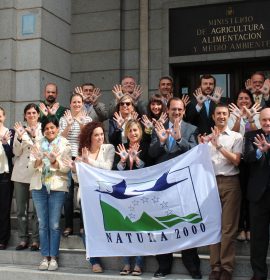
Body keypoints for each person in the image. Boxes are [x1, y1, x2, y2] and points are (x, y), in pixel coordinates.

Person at [149, 97, 201, 279]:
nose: (176, 112)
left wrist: (180, 139)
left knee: (186, 223)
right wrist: (162, 142)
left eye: (180, 109)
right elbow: (151, 153)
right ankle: (164, 265)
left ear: (184, 111)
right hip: (163, 185)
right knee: (163, 224)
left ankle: (192, 266)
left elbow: (195, 152)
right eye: (173, 109)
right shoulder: (159, 127)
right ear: (168, 110)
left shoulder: (191, 129)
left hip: (183, 185)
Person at [63, 121, 115, 273]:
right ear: (90, 137)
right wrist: (74, 170)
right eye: (96, 135)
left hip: (104, 194)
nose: (100, 137)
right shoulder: (82, 153)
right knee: (86, 229)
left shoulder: (108, 148)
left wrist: (88, 162)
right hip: (86, 195)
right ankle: (94, 261)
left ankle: (107, 250)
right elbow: (78, 179)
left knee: (103, 226)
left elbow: (107, 168)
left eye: (101, 134)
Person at [199, 104, 243, 280]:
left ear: (229, 116)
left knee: (228, 228)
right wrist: (203, 146)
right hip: (210, 185)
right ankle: (215, 267)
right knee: (213, 227)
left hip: (230, 183)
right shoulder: (206, 139)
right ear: (213, 116)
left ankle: (226, 268)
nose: (221, 116)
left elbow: (237, 161)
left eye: (225, 113)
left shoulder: (236, 137)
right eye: (218, 114)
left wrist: (218, 147)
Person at [29, 116, 71, 271]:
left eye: (52, 127)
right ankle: (44, 257)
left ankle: (53, 257)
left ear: (58, 129)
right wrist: (39, 160)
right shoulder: (38, 144)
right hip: (39, 187)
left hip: (57, 187)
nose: (49, 130)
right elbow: (30, 166)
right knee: (42, 224)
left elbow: (67, 169)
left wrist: (54, 162)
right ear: (43, 130)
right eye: (46, 128)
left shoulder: (64, 144)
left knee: (54, 224)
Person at [115, 119, 150, 276]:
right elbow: (115, 170)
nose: (133, 133)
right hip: (125, 193)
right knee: (126, 227)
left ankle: (138, 264)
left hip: (141, 193)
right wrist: (122, 161)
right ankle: (126, 263)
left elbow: (148, 167)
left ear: (140, 132)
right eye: (130, 130)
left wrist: (136, 159)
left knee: (140, 228)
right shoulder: (121, 147)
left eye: (135, 130)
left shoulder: (146, 147)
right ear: (126, 133)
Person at [228, 90, 261, 242]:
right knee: (240, 196)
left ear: (251, 100)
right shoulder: (232, 115)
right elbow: (233, 134)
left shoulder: (258, 114)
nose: (243, 101)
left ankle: (251, 228)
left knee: (252, 196)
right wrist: (238, 118)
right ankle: (241, 228)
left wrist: (250, 119)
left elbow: (257, 134)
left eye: (246, 98)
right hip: (238, 161)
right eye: (240, 98)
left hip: (254, 161)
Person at [59, 93, 92, 237]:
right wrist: (70, 123)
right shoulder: (63, 119)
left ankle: (84, 226)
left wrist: (81, 123)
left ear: (83, 104)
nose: (77, 104)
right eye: (74, 102)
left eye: (79, 102)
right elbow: (60, 138)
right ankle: (68, 226)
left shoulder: (88, 118)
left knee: (83, 193)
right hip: (67, 158)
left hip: (82, 157)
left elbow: (89, 137)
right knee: (68, 194)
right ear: (70, 104)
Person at [243, 108, 270, 280]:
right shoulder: (251, 136)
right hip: (258, 195)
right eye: (264, 120)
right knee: (258, 238)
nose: (267, 123)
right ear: (259, 120)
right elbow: (248, 158)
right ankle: (259, 274)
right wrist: (260, 151)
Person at [12, 103, 42, 251]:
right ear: (25, 115)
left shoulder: (44, 129)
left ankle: (35, 239)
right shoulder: (20, 130)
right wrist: (18, 138)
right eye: (28, 113)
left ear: (38, 115)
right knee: (21, 210)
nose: (31, 115)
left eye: (34, 113)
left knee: (37, 210)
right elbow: (16, 153)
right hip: (20, 173)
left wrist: (35, 136)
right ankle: (23, 238)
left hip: (37, 173)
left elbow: (41, 150)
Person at [0, 107, 14, 250]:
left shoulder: (10, 133)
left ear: (4, 117)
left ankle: (3, 239)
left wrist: (4, 144)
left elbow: (11, 155)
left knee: (4, 209)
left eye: (0, 116)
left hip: (4, 175)